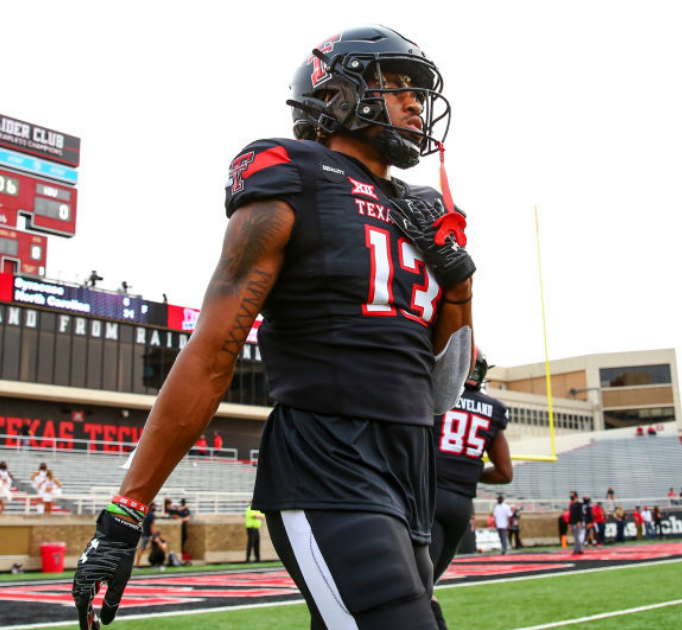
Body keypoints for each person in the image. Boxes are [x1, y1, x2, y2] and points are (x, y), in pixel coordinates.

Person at [72, 25, 474, 630]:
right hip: (329, 456)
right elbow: (213, 349)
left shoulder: (418, 205)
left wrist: (461, 283)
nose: (415, 102)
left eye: (418, 89)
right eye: (396, 84)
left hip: (411, 461)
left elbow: (447, 381)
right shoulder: (295, 173)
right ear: (338, 94)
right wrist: (127, 512)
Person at [429, 350, 512, 580]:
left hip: (429, 497)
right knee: (430, 583)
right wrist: (467, 472)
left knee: (417, 586)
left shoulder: (433, 396)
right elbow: (505, 473)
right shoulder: (492, 408)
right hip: (462, 505)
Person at [135, 502, 159, 568]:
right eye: (154, 507)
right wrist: (154, 536)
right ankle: (154, 564)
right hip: (150, 536)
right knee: (154, 550)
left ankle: (137, 563)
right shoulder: (151, 515)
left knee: (142, 549)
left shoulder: (146, 514)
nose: (155, 508)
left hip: (145, 534)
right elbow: (152, 526)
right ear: (152, 507)